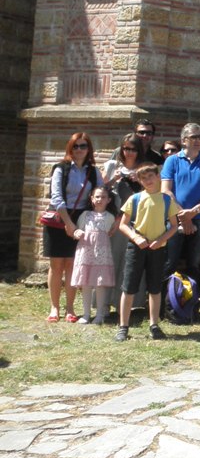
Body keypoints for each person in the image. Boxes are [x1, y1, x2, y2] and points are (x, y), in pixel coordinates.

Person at [115, 163, 183, 342]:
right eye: (143, 178)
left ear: (158, 176)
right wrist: (136, 238)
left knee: (155, 288)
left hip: (157, 248)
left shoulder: (167, 200)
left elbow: (174, 226)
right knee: (129, 287)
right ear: (139, 181)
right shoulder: (135, 199)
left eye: (151, 176)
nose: (148, 180)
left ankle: (154, 324)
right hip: (136, 247)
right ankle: (123, 326)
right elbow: (123, 224)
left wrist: (161, 240)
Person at [46, 132, 102, 322]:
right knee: (56, 264)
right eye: (75, 146)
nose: (79, 149)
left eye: (83, 146)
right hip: (59, 217)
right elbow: (56, 197)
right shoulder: (60, 169)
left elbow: (99, 194)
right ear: (70, 148)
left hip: (81, 219)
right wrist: (68, 224)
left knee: (72, 264)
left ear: (89, 149)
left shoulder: (93, 172)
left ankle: (70, 308)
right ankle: (54, 308)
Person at [160, 123, 200, 290]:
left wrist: (192, 213)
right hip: (174, 218)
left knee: (194, 263)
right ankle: (165, 301)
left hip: (199, 218)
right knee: (170, 262)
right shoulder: (172, 161)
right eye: (194, 137)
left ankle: (191, 302)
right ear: (184, 140)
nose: (198, 140)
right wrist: (183, 217)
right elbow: (166, 191)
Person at [102, 133, 144, 311]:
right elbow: (100, 190)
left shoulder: (144, 168)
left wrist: (140, 180)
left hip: (133, 221)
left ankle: (124, 305)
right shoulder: (112, 165)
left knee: (128, 262)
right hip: (112, 220)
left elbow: (152, 193)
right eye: (126, 148)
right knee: (109, 260)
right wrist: (114, 179)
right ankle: (103, 303)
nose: (129, 152)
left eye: (133, 149)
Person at [70, 186, 116, 325]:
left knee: (100, 283)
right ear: (91, 198)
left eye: (103, 197)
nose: (99, 200)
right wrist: (77, 232)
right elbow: (77, 230)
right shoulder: (85, 215)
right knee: (86, 283)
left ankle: (100, 314)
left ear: (108, 200)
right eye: (97, 197)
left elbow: (110, 231)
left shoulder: (110, 217)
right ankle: (86, 314)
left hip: (101, 254)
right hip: (86, 252)